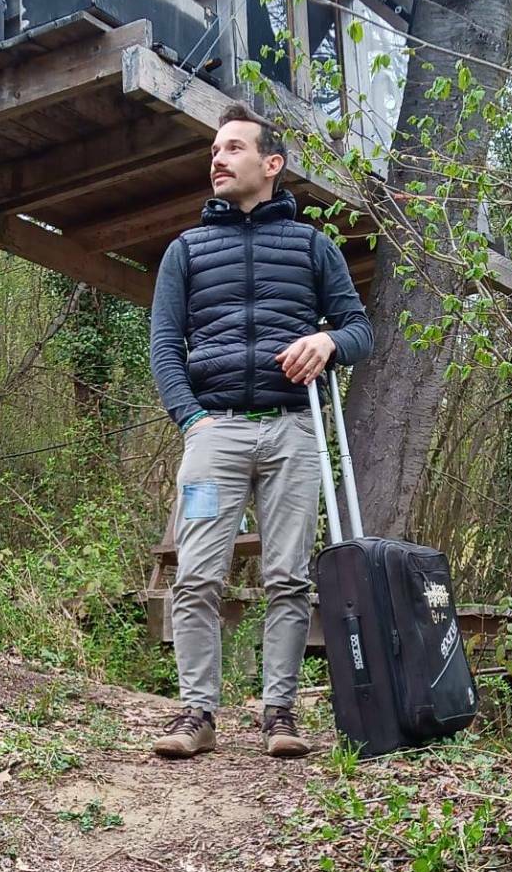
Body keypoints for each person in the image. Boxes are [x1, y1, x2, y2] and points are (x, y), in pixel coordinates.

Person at [149, 102, 373, 759]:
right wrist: (191, 420)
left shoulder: (312, 246)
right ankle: (198, 713)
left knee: (288, 577)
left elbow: (361, 328)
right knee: (195, 575)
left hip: (292, 435)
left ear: (271, 165)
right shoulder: (186, 250)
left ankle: (279, 714)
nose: (218, 159)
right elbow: (164, 343)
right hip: (211, 438)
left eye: (234, 149)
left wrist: (328, 342)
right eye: (214, 151)